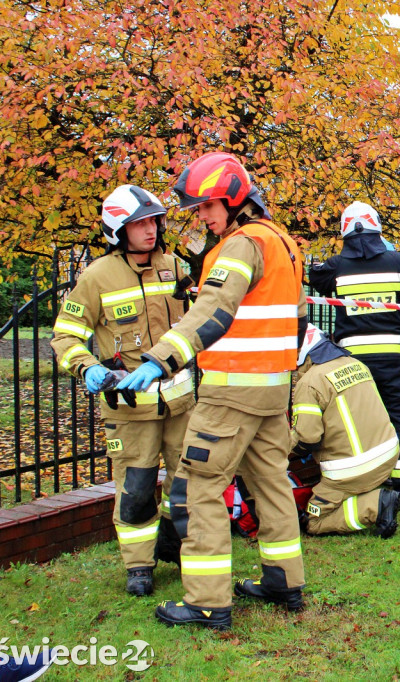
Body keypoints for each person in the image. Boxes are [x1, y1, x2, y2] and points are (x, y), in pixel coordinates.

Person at [118, 152, 306, 630]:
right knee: (270, 485)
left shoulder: (242, 245)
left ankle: (207, 603)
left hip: (230, 393)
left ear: (234, 198)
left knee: (200, 487)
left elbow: (215, 311)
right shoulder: (283, 242)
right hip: (271, 390)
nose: (201, 215)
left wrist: (161, 358)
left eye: (207, 206)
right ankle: (284, 581)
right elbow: (295, 319)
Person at [50, 185, 195, 597]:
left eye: (154, 221)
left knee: (187, 484)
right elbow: (66, 336)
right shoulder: (96, 277)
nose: (150, 230)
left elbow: (196, 321)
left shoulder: (173, 266)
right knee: (135, 489)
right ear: (119, 230)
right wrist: (87, 368)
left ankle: (181, 545)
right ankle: (139, 566)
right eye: (140, 223)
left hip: (181, 403)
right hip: (130, 412)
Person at [308, 202, 400, 502]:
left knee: (358, 420)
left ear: (345, 232)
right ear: (377, 227)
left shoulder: (336, 266)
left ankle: (365, 483)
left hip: (352, 361)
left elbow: (315, 277)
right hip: (392, 358)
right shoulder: (399, 262)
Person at [289, 325, 400, 538]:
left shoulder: (309, 382)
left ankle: (375, 506)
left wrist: (275, 447)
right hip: (388, 455)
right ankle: (371, 488)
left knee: (314, 521)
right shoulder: (356, 364)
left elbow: (307, 437)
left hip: (351, 469)